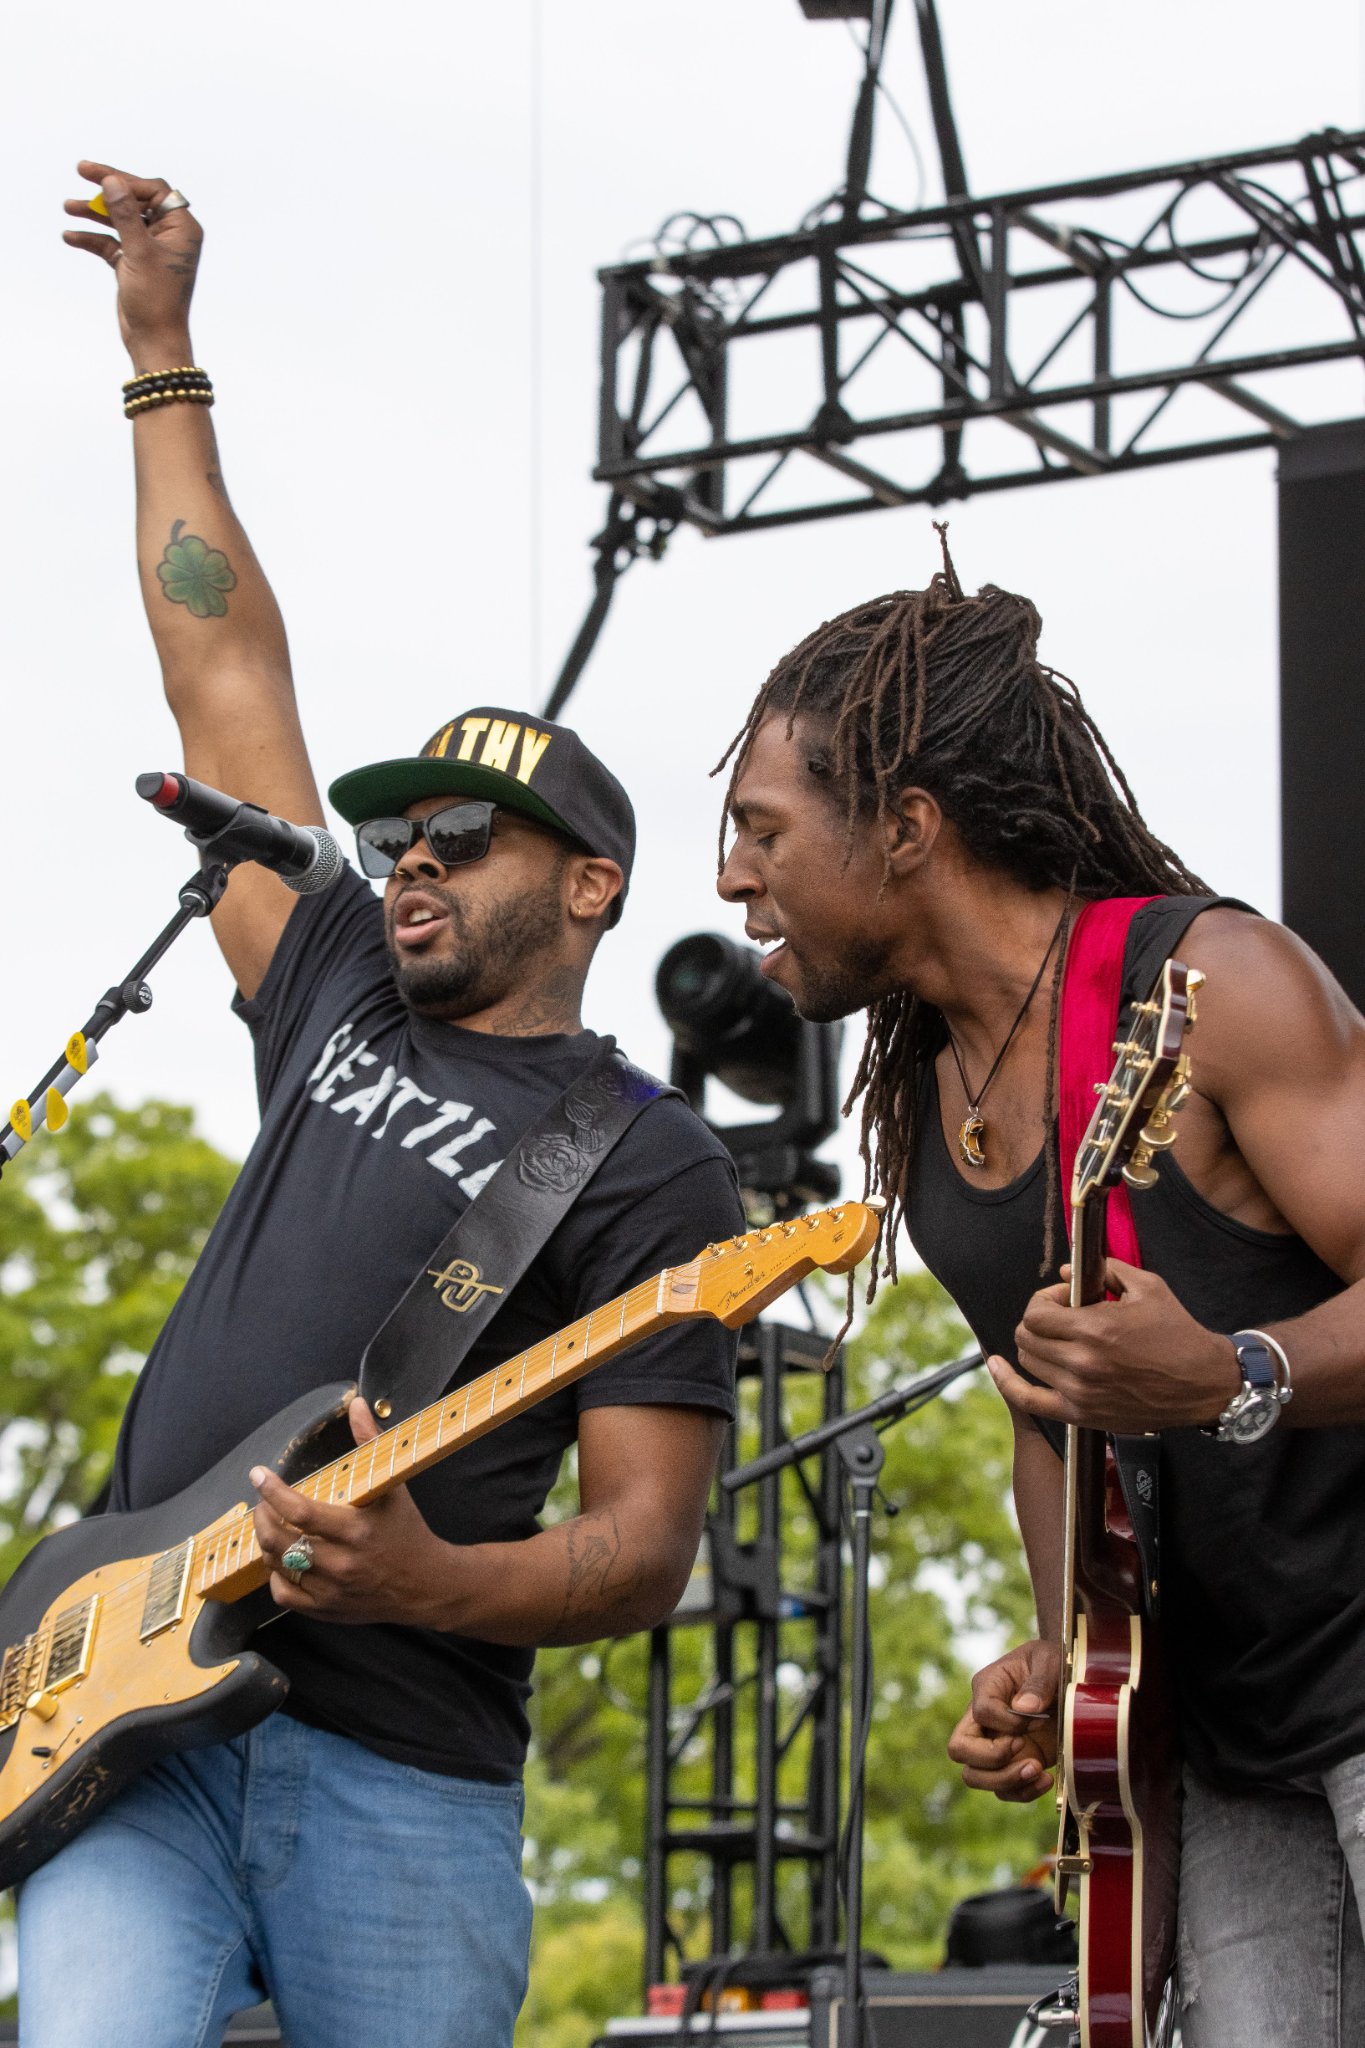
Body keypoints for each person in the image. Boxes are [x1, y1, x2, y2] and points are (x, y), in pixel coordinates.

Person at [22, 162, 745, 2048]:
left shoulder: (652, 1164)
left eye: (458, 837)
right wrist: (161, 353)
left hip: (401, 1781)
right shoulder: (337, 978)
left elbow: (642, 1547)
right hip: (129, 1745)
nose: (404, 861)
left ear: (590, 884)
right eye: (390, 836)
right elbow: (220, 660)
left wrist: (427, 1577)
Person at [714, 551, 1365, 2048]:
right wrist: (1072, 1660)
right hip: (1226, 1731)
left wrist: (1226, 1372)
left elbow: (1188, 1373)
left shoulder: (1212, 985)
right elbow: (1049, 1409)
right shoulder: (931, 1092)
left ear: (906, 828)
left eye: (762, 829)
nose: (732, 876)